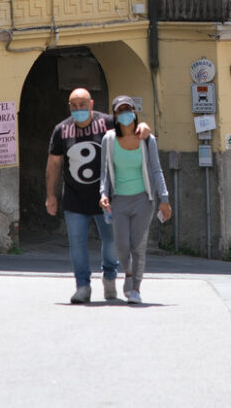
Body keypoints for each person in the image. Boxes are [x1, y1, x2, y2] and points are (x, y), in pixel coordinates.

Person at [45, 87, 150, 304]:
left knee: (111, 242)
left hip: (107, 197)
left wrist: (144, 126)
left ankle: (110, 276)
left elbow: (133, 129)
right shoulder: (61, 130)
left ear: (91, 104)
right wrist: (50, 195)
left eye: (82, 105)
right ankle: (82, 286)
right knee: (77, 243)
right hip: (74, 197)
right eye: (73, 106)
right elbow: (54, 163)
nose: (78, 109)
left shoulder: (107, 123)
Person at [100, 95, 172, 304]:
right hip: (119, 200)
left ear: (134, 112)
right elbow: (104, 171)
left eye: (128, 110)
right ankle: (128, 274)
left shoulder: (146, 139)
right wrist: (103, 194)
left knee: (138, 245)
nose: (125, 114)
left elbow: (156, 170)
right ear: (115, 115)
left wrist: (164, 198)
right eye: (120, 111)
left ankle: (136, 288)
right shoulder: (109, 140)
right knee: (122, 245)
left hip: (143, 199)